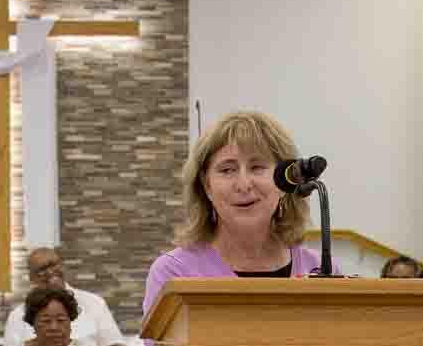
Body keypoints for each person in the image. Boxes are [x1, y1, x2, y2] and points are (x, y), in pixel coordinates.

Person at [142, 111, 337, 317]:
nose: (243, 185)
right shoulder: (174, 274)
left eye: (257, 167)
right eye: (227, 170)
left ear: (285, 181)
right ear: (207, 186)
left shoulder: (321, 269)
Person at [0, 247, 125, 346]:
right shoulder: (17, 316)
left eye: (53, 264)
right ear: (31, 277)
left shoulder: (94, 303)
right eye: (42, 269)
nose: (50, 271)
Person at [0, 287, 98, 346]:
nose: (54, 328)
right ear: (33, 323)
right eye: (46, 321)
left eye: (61, 320)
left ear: (70, 321)